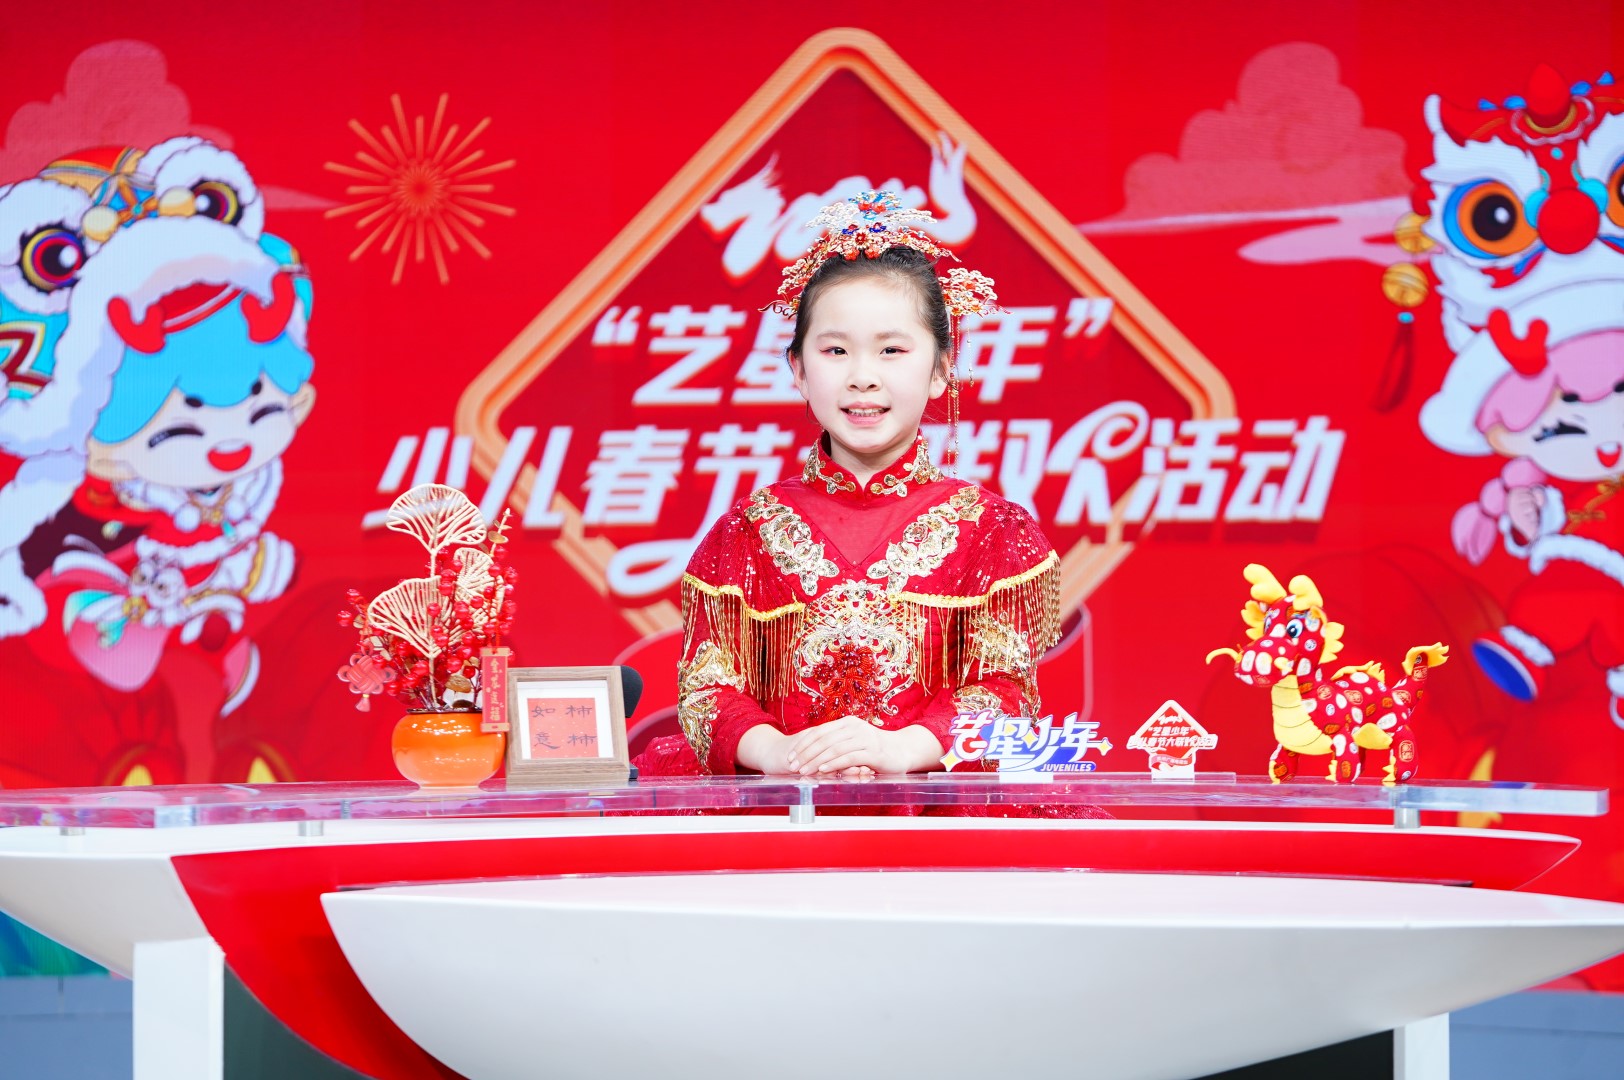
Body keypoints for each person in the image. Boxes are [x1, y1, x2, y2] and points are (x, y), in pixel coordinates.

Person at [636, 191, 1101, 816]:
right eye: (835, 351)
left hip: (939, 823)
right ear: (798, 370)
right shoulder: (746, 531)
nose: (862, 375)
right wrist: (778, 752)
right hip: (780, 817)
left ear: (941, 370)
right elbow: (707, 688)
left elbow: (1007, 694)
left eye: (892, 350)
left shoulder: (993, 531)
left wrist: (900, 748)